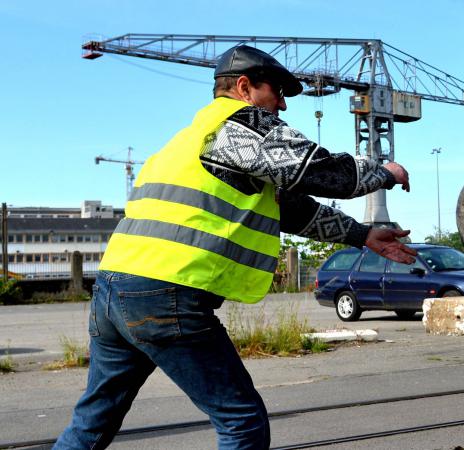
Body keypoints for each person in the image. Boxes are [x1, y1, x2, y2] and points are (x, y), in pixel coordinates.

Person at [54, 45, 418, 450]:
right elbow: (316, 169)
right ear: (244, 87)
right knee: (241, 420)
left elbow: (290, 208)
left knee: (92, 422)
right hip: (167, 293)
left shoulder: (187, 142)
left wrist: (363, 235)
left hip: (112, 291)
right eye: (277, 91)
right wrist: (381, 172)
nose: (282, 104)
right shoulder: (236, 126)